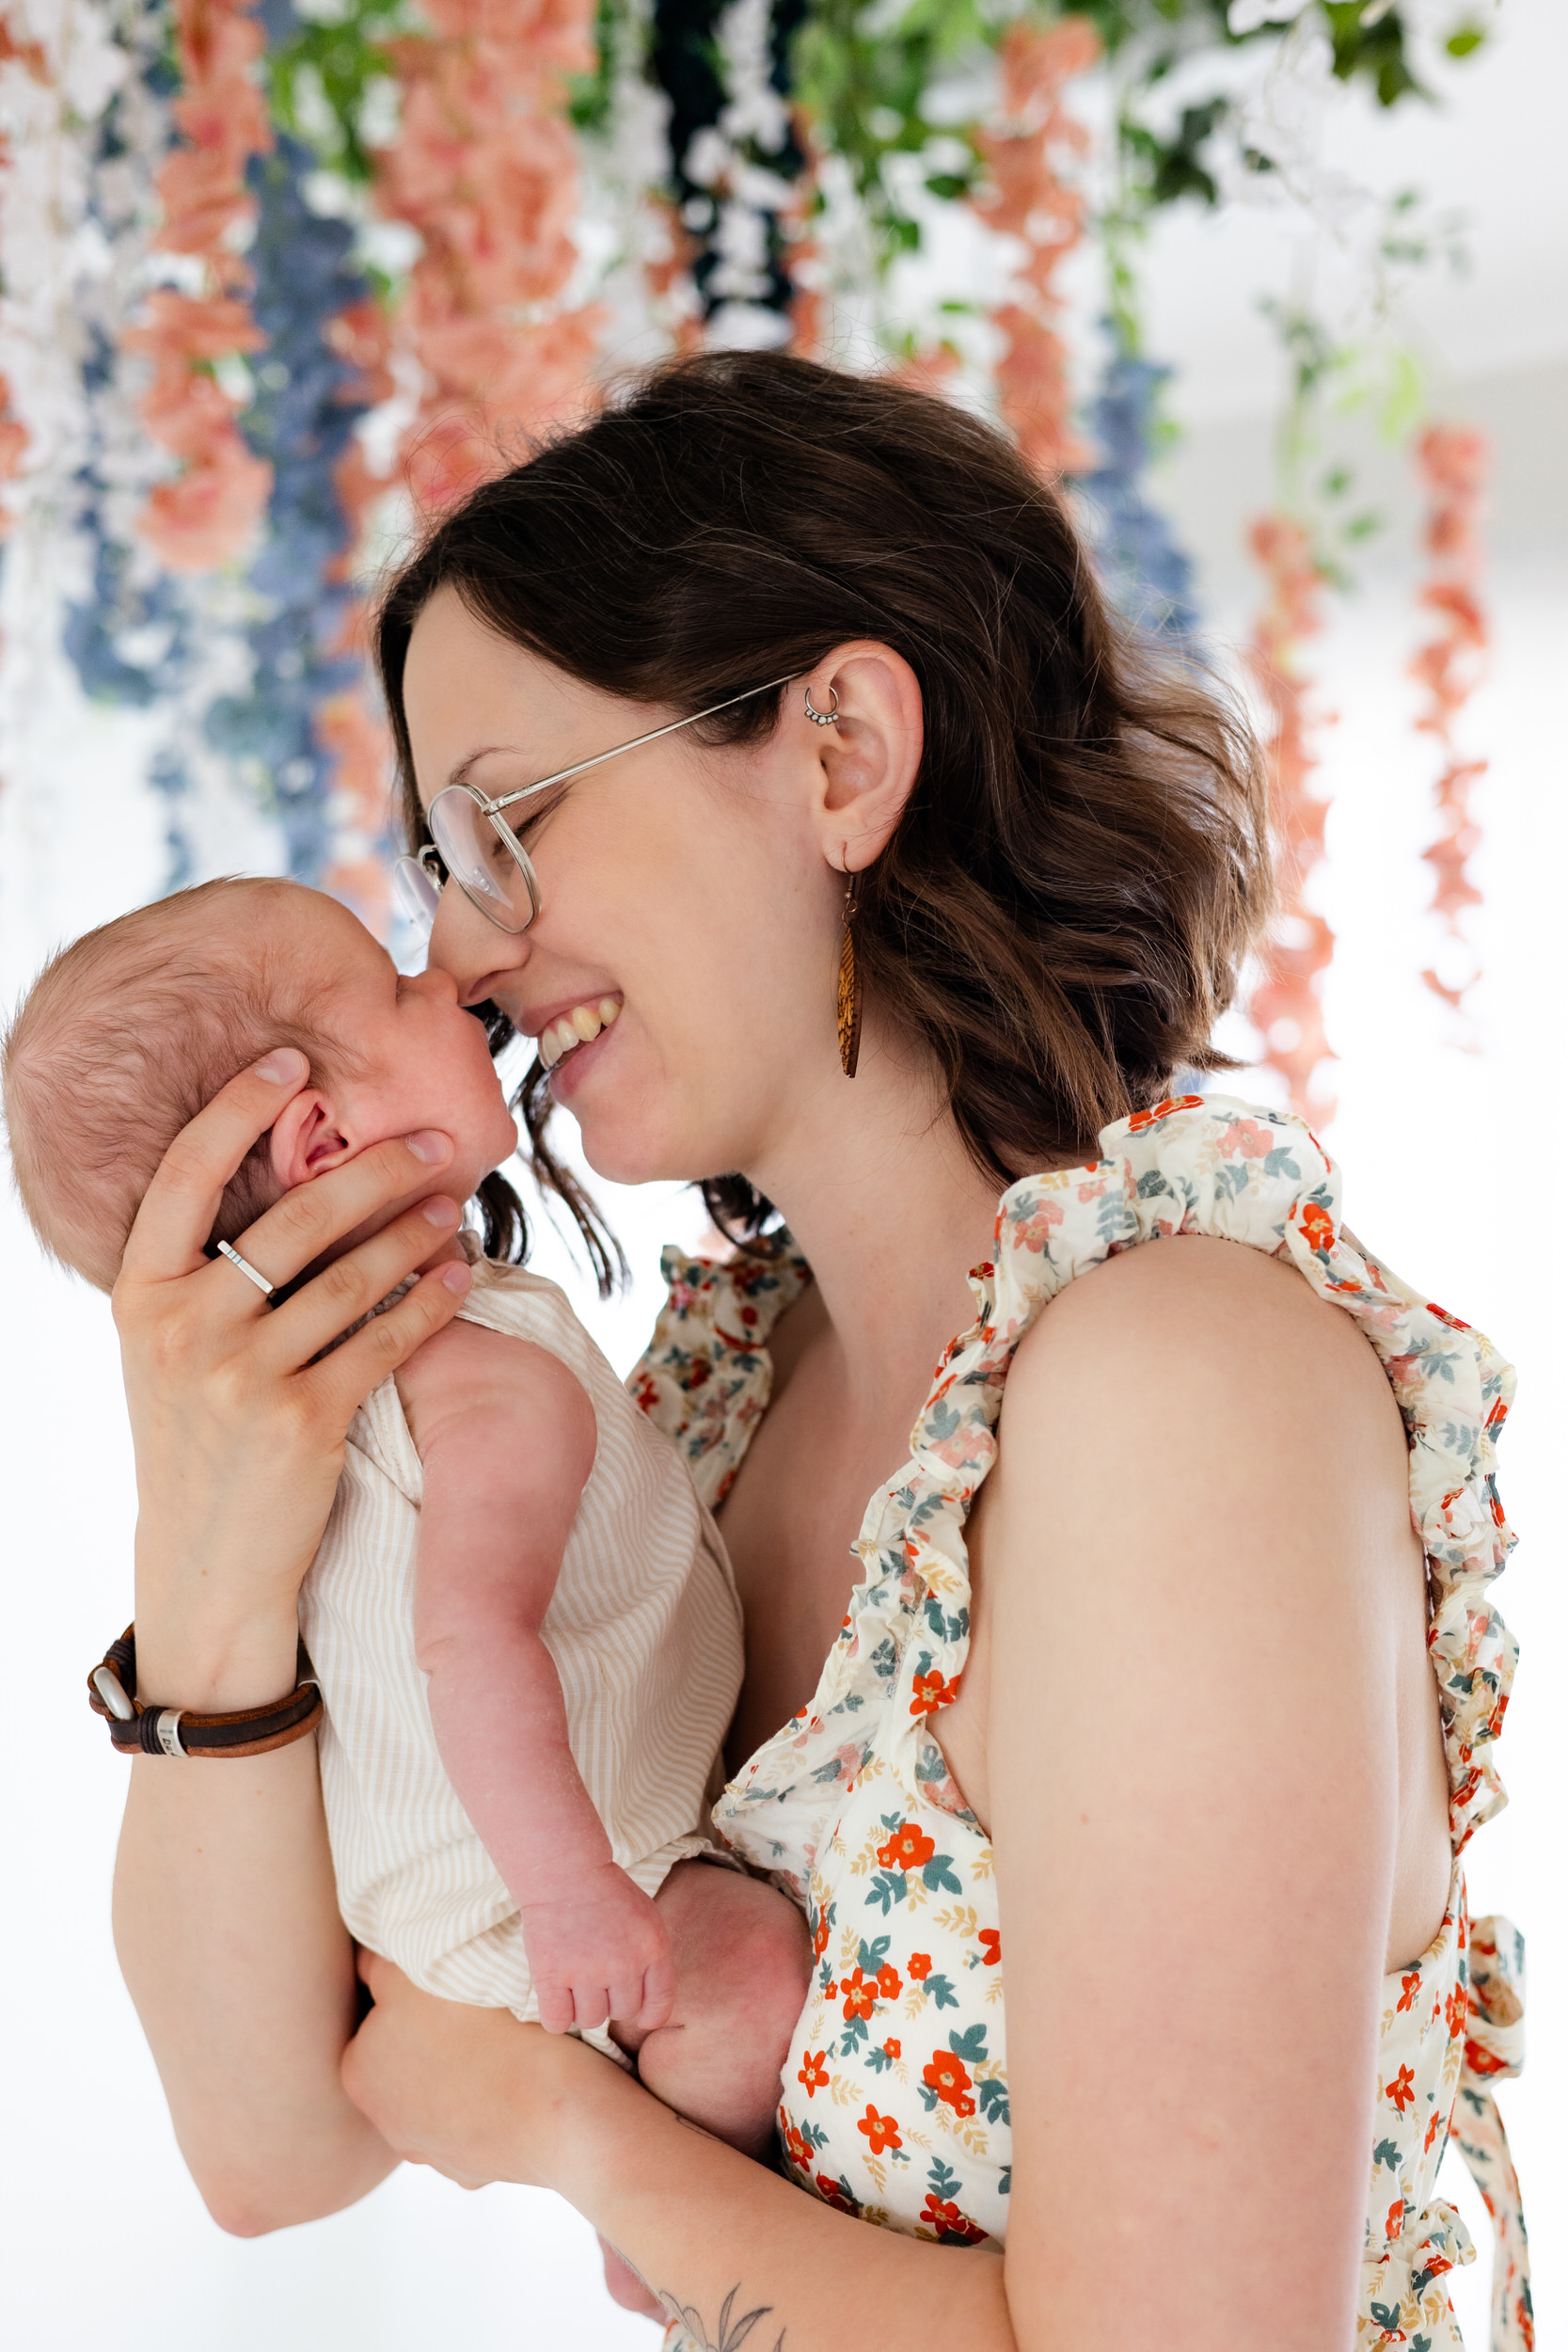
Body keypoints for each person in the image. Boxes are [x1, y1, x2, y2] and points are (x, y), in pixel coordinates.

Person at [99, 352, 1527, 2351]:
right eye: (440, 868)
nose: (466, 957)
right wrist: (209, 1524)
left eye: (505, 823)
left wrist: (565, 2132)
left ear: (842, 750)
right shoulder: (704, 1409)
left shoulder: (1171, 1388)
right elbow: (273, 2140)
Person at [2, 874, 811, 2191]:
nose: (449, 973)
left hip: (447, 1908)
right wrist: (568, 1891)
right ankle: (660, 2219)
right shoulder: (485, 1376)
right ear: (322, 1144)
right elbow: (468, 1643)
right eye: (395, 986)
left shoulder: (324, 1426)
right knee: (745, 1983)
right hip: (573, 1862)